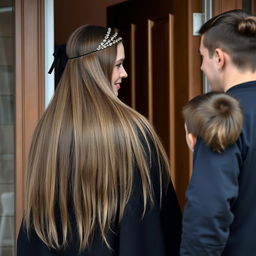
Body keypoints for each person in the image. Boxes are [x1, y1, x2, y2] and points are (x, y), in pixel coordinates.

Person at [17, 25, 182, 256]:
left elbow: (36, 227)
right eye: (118, 65)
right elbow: (153, 222)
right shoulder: (132, 131)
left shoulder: (47, 130)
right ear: (98, 68)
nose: (124, 73)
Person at [180, 9, 256, 256]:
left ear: (219, 58)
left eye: (202, 56)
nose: (201, 67)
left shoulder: (222, 115)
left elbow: (208, 212)